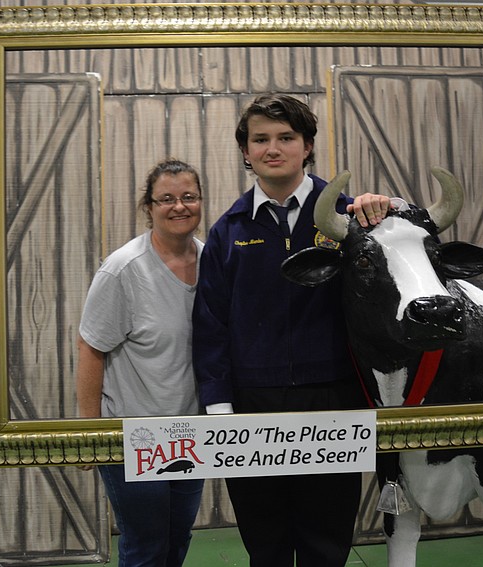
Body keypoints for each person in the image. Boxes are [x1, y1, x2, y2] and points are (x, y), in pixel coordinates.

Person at [191, 93, 392, 567]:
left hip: (335, 399)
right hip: (250, 408)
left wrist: (389, 206)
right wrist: (220, 408)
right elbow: (211, 324)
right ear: (245, 151)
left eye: (286, 137)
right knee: (266, 543)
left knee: (327, 542)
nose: (272, 148)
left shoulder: (352, 217)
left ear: (307, 146)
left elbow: (408, 259)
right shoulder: (228, 231)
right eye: (260, 139)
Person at [76, 158, 205, 567]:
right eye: (166, 199)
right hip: (135, 434)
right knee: (146, 544)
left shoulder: (213, 260)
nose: (178, 206)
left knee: (177, 538)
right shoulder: (122, 270)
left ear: (200, 202)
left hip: (189, 431)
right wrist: (90, 433)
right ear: (148, 207)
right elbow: (91, 348)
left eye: (188, 196)